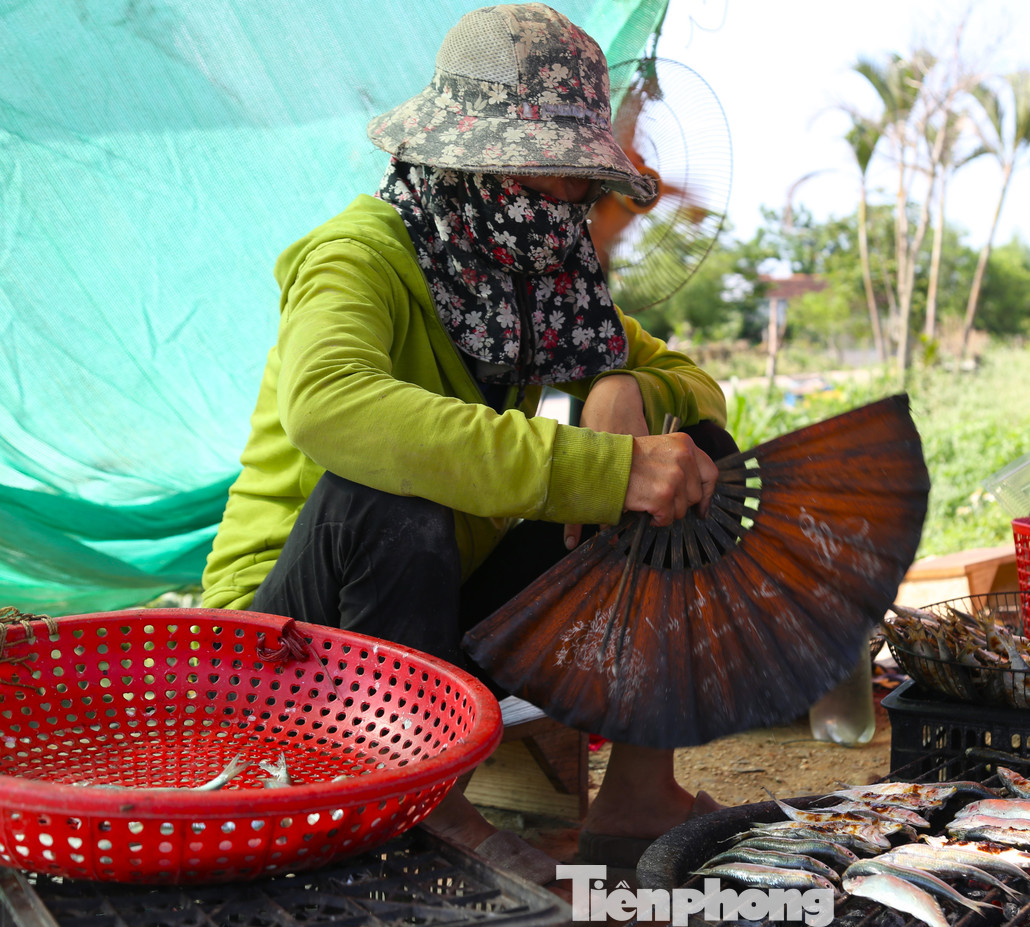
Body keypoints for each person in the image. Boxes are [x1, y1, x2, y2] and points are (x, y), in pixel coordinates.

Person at [201, 2, 729, 887]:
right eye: (546, 176)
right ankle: (418, 804)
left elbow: (699, 388)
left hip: (423, 628)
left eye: (575, 181)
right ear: (471, 162)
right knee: (389, 488)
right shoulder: (358, 254)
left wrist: (628, 389)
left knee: (679, 463)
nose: (569, 203)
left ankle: (641, 788)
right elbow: (331, 405)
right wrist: (596, 469)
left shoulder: (544, 287)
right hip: (279, 645)